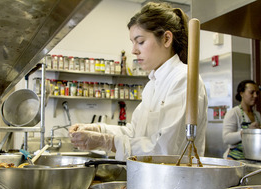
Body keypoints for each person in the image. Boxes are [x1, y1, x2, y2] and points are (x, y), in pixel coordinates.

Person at [69, 2, 208, 160]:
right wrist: (98, 130)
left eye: (140, 41)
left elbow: (165, 149)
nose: (134, 50)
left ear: (167, 39)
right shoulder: (152, 85)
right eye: (133, 42)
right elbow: (134, 133)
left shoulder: (184, 79)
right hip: (150, 178)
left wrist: (107, 142)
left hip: (176, 181)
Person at [223, 80, 261, 160]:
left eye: (257, 93)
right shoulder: (234, 113)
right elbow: (226, 138)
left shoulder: (257, 115)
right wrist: (246, 132)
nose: (255, 96)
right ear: (241, 93)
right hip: (235, 160)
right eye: (251, 92)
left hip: (252, 158)